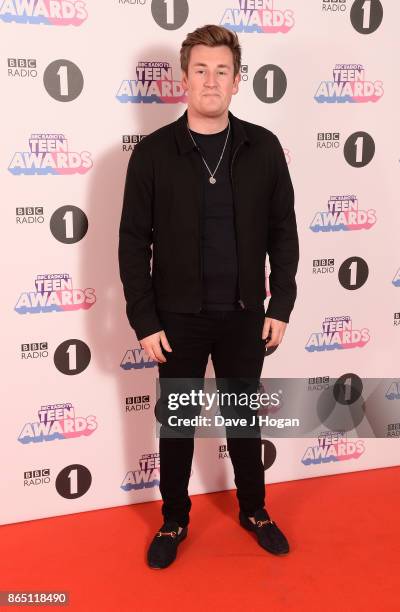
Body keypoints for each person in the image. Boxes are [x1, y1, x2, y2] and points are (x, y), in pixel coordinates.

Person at [118, 24, 299, 569]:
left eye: (222, 71)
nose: (211, 81)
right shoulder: (152, 155)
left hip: (246, 316)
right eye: (201, 70)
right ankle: (174, 519)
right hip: (177, 320)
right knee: (176, 426)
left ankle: (255, 511)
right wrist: (144, 321)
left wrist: (281, 305)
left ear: (238, 80)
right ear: (184, 78)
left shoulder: (264, 148)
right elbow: (132, 243)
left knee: (245, 422)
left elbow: (283, 234)